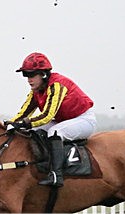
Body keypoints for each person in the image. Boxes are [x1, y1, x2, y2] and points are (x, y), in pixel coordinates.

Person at [6, 52, 96, 187]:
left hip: (83, 120)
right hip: (64, 121)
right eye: (26, 75)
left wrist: (24, 123)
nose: (28, 79)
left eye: (31, 75)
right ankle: (42, 165)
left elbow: (47, 115)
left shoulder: (57, 85)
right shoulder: (36, 91)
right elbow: (24, 112)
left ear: (43, 74)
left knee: (55, 132)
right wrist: (11, 123)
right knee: (33, 130)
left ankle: (56, 175)